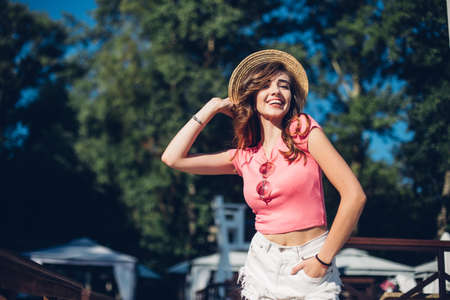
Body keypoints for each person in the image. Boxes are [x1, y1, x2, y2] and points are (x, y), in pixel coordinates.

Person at [161, 49, 366, 299]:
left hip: (310, 261)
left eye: (284, 86)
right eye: (266, 85)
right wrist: (212, 108)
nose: (276, 92)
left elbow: (354, 195)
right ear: (253, 96)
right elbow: (173, 158)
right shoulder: (243, 156)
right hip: (263, 263)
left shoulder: (302, 130)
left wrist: (322, 260)